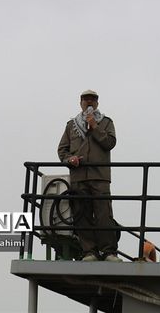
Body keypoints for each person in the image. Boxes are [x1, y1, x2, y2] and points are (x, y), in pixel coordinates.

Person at [57, 90, 121, 262]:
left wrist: (95, 127)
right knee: (81, 214)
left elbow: (110, 143)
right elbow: (62, 150)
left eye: (92, 100)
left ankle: (108, 252)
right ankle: (89, 252)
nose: (89, 103)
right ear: (80, 103)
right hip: (79, 177)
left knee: (104, 215)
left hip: (100, 176)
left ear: (97, 104)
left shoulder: (106, 122)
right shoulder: (71, 125)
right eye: (86, 100)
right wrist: (69, 159)